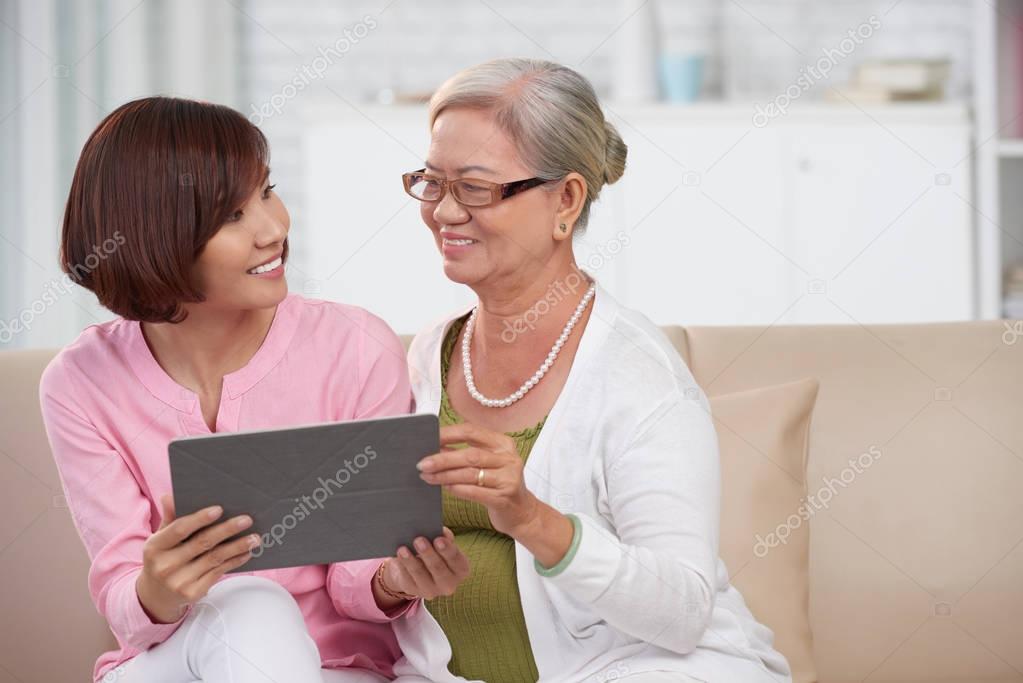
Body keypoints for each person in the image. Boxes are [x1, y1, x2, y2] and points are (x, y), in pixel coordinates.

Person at [39, 97, 469, 683]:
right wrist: (157, 589)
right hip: (173, 665)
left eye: (267, 191)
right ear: (155, 235)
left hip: (332, 669)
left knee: (260, 612)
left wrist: (394, 581)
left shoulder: (353, 347)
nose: (273, 229)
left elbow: (358, 574)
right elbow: (125, 601)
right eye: (231, 216)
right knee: (248, 606)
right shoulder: (81, 382)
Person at [394, 58, 793, 683]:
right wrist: (391, 581)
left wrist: (530, 517)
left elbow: (683, 612)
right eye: (432, 182)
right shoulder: (430, 353)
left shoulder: (638, 373)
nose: (444, 212)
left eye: (474, 187)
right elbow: (376, 559)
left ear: (567, 198)